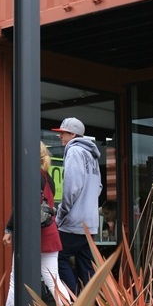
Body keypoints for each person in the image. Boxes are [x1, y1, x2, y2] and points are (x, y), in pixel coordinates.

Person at [0, 142, 68, 306]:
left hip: (32, 235)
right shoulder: (48, 177)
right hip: (49, 232)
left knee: (16, 279)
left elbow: (21, 205)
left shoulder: (30, 175)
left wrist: (9, 229)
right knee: (54, 280)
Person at [53, 117, 102, 295]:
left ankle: (72, 301)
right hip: (90, 223)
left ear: (72, 134)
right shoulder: (92, 155)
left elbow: (71, 188)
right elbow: (98, 187)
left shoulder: (74, 151)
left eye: (63, 133)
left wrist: (61, 214)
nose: (60, 137)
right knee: (86, 266)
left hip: (73, 222)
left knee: (58, 258)